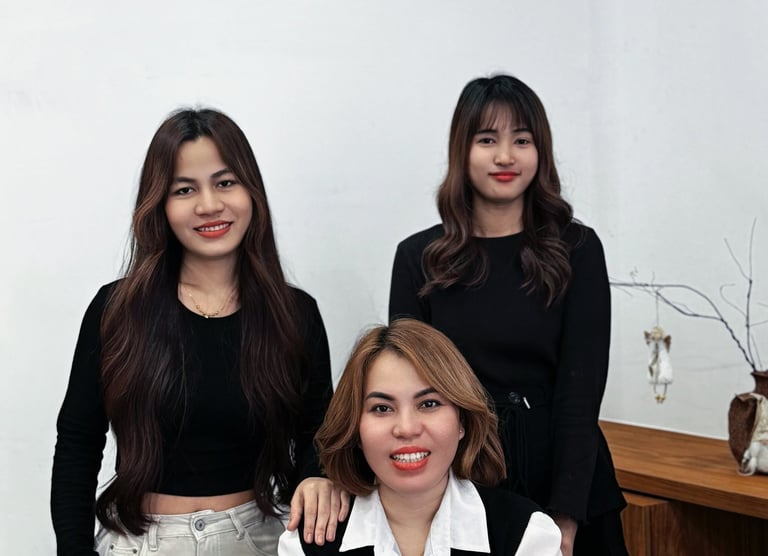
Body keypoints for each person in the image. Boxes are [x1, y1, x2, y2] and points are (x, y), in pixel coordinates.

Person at [51, 108, 345, 556]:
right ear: (160, 204)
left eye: (225, 183)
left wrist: (317, 479)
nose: (209, 205)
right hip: (140, 543)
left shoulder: (294, 314)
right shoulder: (116, 310)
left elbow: (318, 437)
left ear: (252, 192)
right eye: (185, 189)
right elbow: (78, 443)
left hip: (258, 540)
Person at [388, 75, 627, 556]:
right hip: (467, 475)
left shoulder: (577, 249)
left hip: (563, 475)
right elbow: (408, 392)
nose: (505, 156)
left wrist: (565, 516)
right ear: (462, 150)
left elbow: (581, 393)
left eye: (521, 140)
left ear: (541, 151)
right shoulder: (419, 257)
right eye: (487, 140)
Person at [278, 319, 562, 555]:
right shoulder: (306, 544)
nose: (407, 428)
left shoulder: (526, 535)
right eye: (382, 408)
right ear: (355, 429)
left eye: (429, 404)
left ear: (462, 421)